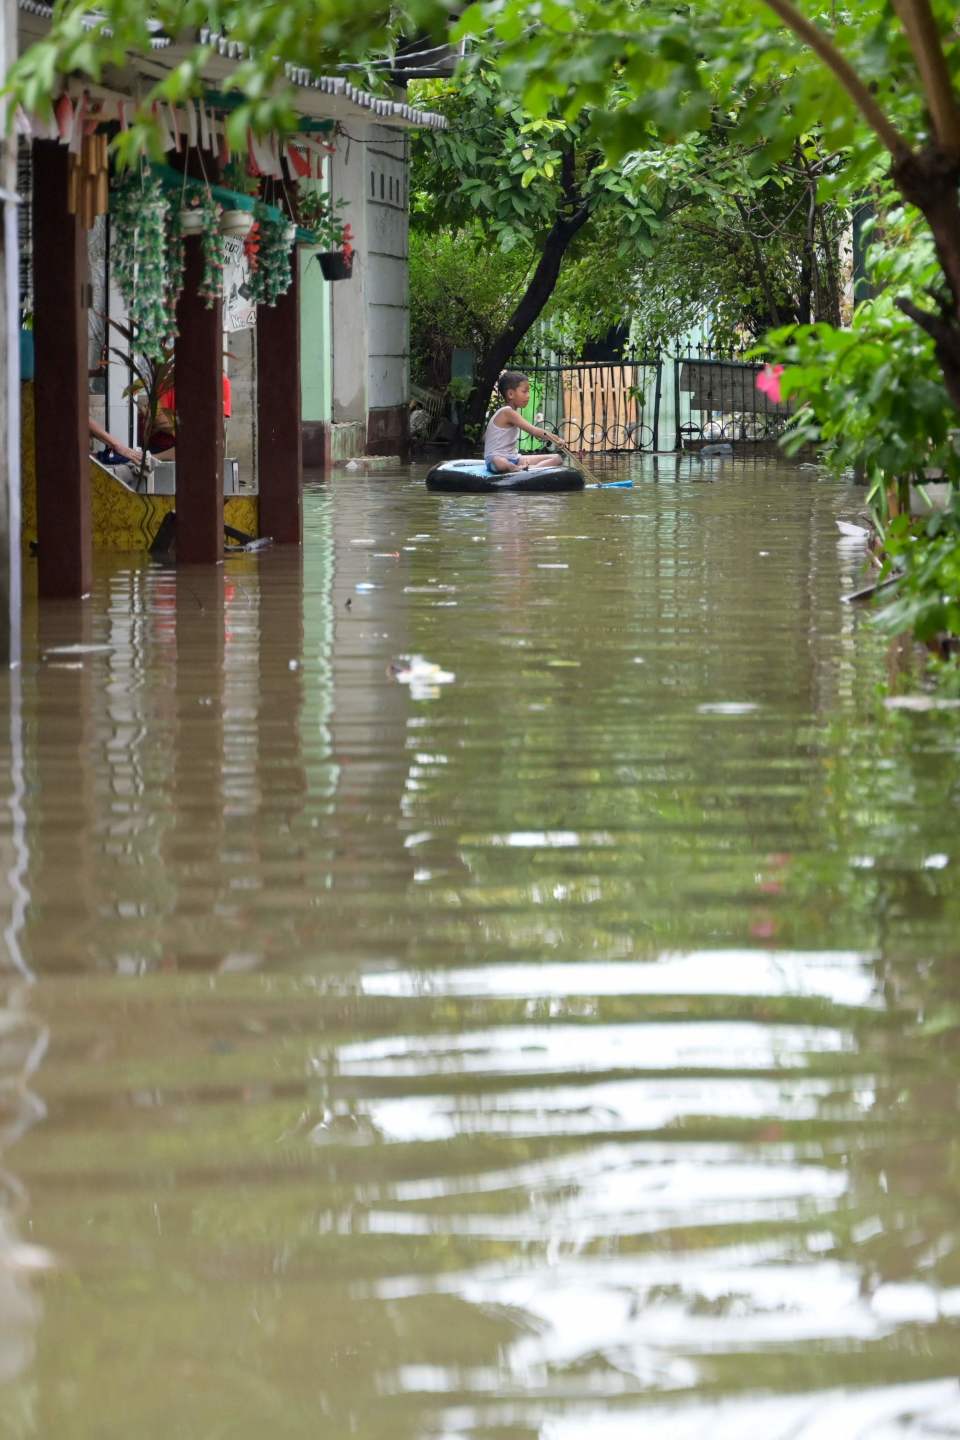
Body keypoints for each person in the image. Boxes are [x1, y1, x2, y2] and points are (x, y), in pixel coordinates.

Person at [484, 372, 565, 475]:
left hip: (514, 458)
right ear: (510, 394)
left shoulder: (511, 412)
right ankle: (516, 469)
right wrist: (556, 439)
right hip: (496, 461)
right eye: (524, 392)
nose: (528, 396)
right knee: (500, 463)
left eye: (528, 392)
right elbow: (534, 430)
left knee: (557, 458)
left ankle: (530, 469)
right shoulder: (507, 412)